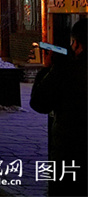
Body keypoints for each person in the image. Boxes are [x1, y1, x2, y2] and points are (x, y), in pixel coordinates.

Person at [30, 18, 87, 197]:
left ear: (76, 43)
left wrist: (47, 69)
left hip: (70, 146)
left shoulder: (66, 70)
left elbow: (39, 102)